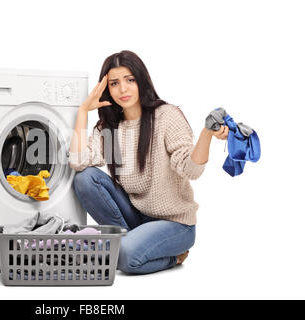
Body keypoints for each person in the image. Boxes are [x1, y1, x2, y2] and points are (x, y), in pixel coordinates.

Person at [68, 50, 228, 274]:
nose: (123, 89)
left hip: (175, 224)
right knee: (84, 179)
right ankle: (131, 241)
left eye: (130, 80)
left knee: (124, 256)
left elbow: (192, 169)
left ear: (141, 80)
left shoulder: (165, 116)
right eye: (114, 83)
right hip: (136, 217)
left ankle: (172, 257)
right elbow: (78, 162)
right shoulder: (111, 128)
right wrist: (84, 110)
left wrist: (207, 134)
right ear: (107, 88)